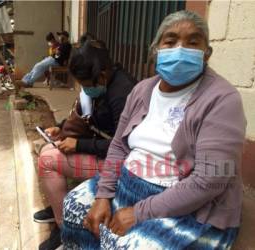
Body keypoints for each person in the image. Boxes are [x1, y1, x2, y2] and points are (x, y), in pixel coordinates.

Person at [61, 10, 246, 249]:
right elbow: (118, 145)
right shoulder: (142, 90)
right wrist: (103, 195)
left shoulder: (222, 99)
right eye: (170, 41)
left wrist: (139, 212)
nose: (180, 49)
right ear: (155, 50)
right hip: (127, 183)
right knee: (74, 207)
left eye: (193, 42)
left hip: (187, 205)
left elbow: (208, 181)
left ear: (206, 54)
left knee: (130, 245)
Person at [36, 41, 137, 250]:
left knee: (48, 160)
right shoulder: (105, 84)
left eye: (86, 84)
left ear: (102, 75)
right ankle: (59, 206)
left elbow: (122, 147)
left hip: (121, 165)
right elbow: (86, 115)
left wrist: (79, 145)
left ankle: (65, 229)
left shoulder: (122, 93)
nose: (85, 89)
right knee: (48, 149)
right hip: (106, 153)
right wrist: (60, 127)